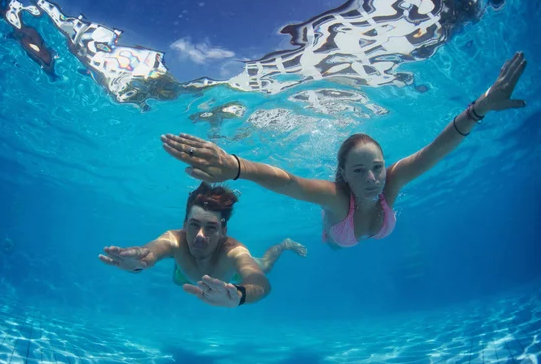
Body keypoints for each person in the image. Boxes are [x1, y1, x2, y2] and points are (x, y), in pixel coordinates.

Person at [161, 52, 527, 248]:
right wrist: (236, 165)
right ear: (343, 175)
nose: (371, 179)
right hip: (338, 240)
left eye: (377, 168)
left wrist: (479, 108)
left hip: (357, 233)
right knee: (334, 248)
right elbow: (289, 181)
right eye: (358, 171)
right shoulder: (338, 199)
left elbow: (433, 151)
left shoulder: (390, 183)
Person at [98, 182, 306, 307]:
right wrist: (137, 262)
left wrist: (240, 295)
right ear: (184, 224)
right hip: (184, 276)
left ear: (223, 231)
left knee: (265, 265)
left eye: (211, 228)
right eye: (194, 225)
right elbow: (152, 252)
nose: (199, 235)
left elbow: (261, 284)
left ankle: (284, 245)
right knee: (177, 278)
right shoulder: (174, 239)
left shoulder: (234, 252)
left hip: (228, 281)